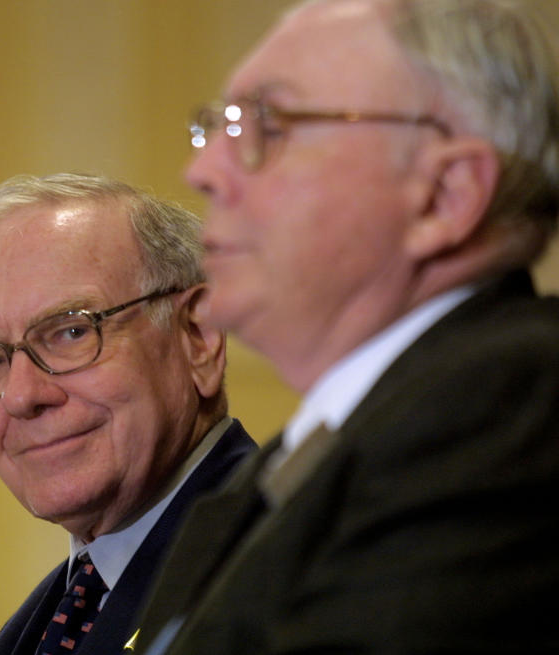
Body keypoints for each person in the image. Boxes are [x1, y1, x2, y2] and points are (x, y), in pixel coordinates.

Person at [133, 0, 559, 653]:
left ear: (446, 193)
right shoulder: (305, 452)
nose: (203, 171)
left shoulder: (506, 404)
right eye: (218, 125)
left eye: (269, 125)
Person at [0, 173, 257, 655]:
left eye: (70, 333)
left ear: (199, 338)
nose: (21, 397)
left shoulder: (283, 568)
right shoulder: (30, 632)